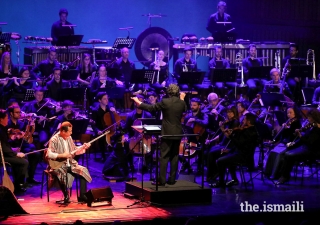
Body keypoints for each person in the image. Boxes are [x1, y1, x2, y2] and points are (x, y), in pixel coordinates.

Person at [131, 84, 187, 186]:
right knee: (174, 156)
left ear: (168, 92)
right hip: (178, 133)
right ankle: (172, 179)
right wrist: (182, 98)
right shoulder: (182, 102)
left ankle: (162, 180)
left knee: (164, 156)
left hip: (167, 133)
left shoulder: (165, 102)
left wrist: (139, 102)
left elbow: (151, 108)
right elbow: (184, 109)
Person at [46, 121, 91, 203]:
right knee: (62, 173)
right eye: (69, 131)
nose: (71, 133)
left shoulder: (69, 138)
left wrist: (83, 147)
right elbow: (49, 154)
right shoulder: (54, 139)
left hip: (70, 163)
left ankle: (83, 196)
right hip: (58, 165)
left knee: (83, 170)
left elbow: (74, 151)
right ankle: (66, 196)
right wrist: (62, 155)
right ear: (63, 131)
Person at [211, 113, 258, 188]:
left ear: (248, 121)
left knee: (220, 161)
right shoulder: (250, 130)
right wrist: (229, 150)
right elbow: (240, 145)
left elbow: (239, 144)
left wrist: (231, 136)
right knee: (224, 156)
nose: (243, 121)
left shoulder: (249, 133)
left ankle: (221, 182)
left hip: (243, 157)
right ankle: (234, 179)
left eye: (244, 119)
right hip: (240, 153)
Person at [276, 109, 320, 184]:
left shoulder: (318, 128)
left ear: (314, 117)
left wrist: (300, 136)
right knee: (286, 151)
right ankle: (279, 174)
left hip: (313, 151)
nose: (308, 119)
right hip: (306, 148)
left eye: (309, 117)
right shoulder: (311, 126)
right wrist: (293, 143)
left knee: (289, 155)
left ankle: (285, 177)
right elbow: (305, 139)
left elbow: (310, 142)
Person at [264, 106, 301, 179]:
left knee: (279, 154)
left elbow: (293, 136)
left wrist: (287, 129)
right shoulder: (288, 122)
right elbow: (282, 135)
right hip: (283, 143)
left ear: (295, 113)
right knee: (272, 152)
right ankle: (268, 172)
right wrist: (274, 140)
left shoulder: (297, 123)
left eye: (291, 113)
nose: (289, 115)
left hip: (291, 144)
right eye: (288, 113)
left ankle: (275, 174)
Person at [7, 105, 41, 185]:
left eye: (20, 112)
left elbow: (27, 138)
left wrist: (30, 129)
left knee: (36, 153)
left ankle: (30, 177)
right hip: (11, 147)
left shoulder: (21, 124)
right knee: (23, 157)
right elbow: (5, 140)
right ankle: (20, 181)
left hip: (22, 146)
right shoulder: (7, 124)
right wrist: (14, 142)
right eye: (17, 112)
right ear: (11, 114)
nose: (19, 114)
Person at [206, 105, 240, 183]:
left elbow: (228, 136)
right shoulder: (228, 122)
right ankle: (212, 174)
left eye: (231, 112)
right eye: (227, 112)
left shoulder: (235, 122)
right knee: (209, 151)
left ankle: (214, 175)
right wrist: (211, 141)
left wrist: (222, 128)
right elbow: (221, 135)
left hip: (229, 146)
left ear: (234, 113)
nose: (229, 114)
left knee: (212, 153)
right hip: (223, 144)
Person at [0, 109, 29, 193]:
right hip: (1, 157)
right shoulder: (1, 131)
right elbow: (3, 148)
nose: (7, 120)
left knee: (24, 157)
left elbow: (4, 146)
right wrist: (15, 154)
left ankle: (19, 182)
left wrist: (13, 149)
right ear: (1, 119)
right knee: (24, 162)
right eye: (6, 118)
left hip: (5, 154)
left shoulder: (3, 129)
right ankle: (18, 185)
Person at [124, 95, 152, 171]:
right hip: (134, 137)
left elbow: (151, 128)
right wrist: (126, 136)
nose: (139, 103)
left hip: (145, 137)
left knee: (153, 144)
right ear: (135, 103)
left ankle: (147, 165)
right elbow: (126, 128)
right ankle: (131, 165)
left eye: (141, 101)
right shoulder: (130, 115)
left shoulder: (148, 115)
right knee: (126, 144)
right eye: (137, 101)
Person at [182, 98, 209, 173]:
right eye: (191, 105)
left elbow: (206, 123)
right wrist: (186, 125)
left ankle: (200, 167)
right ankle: (186, 164)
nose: (192, 106)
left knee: (202, 149)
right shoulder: (188, 116)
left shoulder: (203, 115)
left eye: (194, 105)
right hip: (190, 138)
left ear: (199, 106)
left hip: (200, 138)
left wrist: (195, 119)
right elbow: (184, 127)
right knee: (179, 148)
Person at [91, 92, 116, 161]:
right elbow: (93, 124)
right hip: (101, 130)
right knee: (102, 138)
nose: (107, 100)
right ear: (99, 100)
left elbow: (115, 121)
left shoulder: (109, 109)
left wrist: (114, 112)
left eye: (107, 98)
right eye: (104, 99)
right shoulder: (95, 111)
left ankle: (115, 155)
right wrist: (97, 130)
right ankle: (103, 156)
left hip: (110, 130)